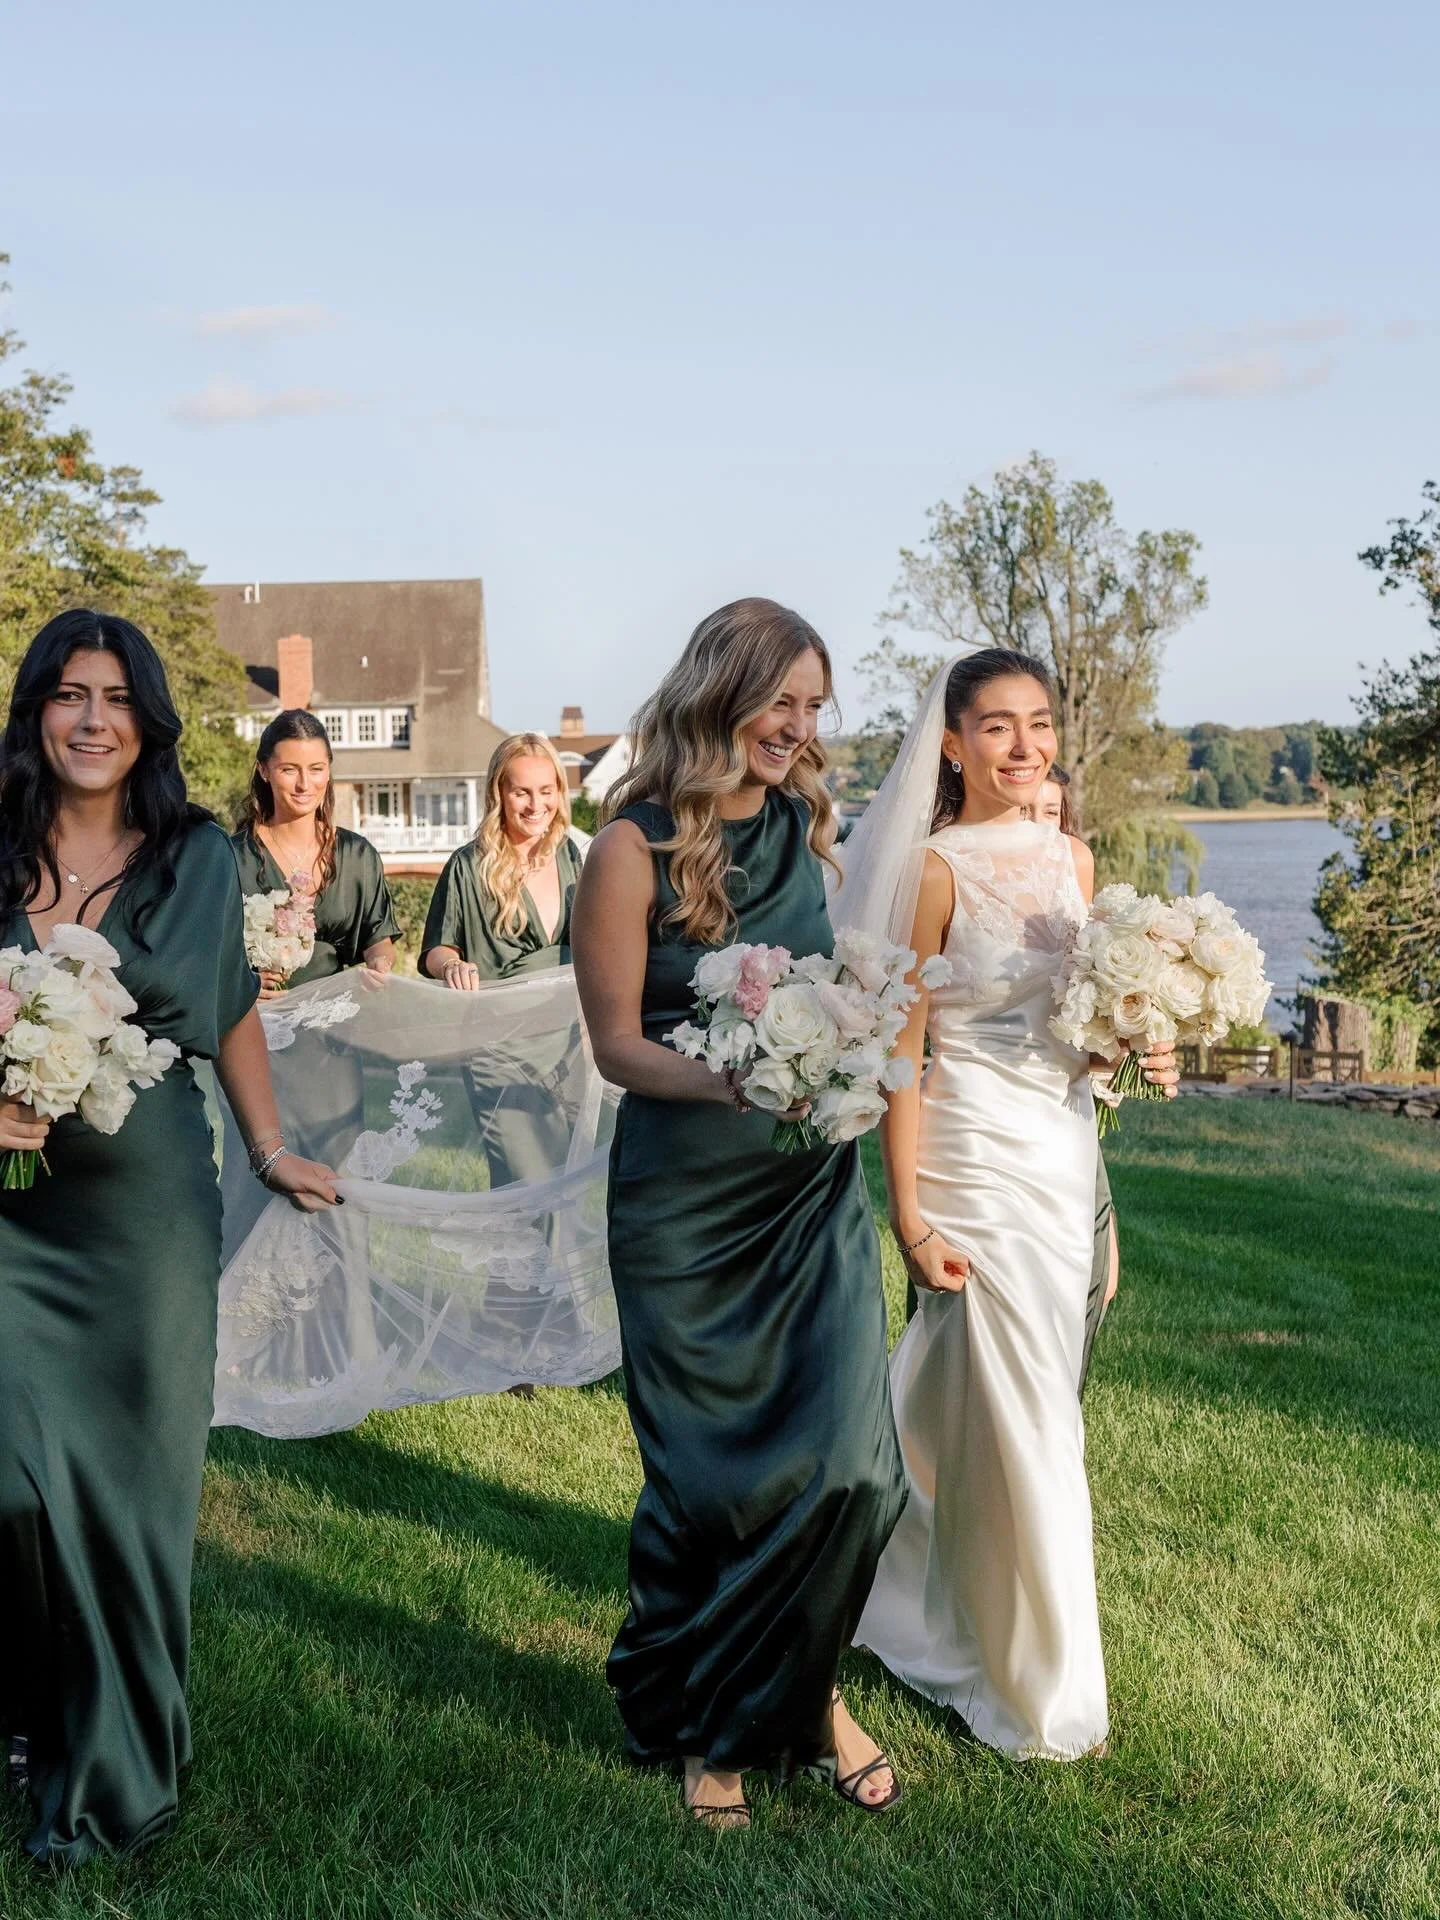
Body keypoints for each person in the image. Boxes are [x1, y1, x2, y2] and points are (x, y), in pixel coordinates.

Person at [0, 610, 337, 1866]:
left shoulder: (194, 856)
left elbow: (232, 1005)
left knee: (132, 1500)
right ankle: (36, 1700)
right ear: (35, 711)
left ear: (147, 720)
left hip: (142, 1218)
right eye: (68, 694)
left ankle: (113, 1767)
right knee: (12, 1484)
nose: (92, 720)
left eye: (115, 698)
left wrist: (269, 1147)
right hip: (10, 1225)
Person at [571, 598, 906, 1829]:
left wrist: (847, 1053)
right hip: (687, 1210)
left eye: (814, 706)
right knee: (714, 1482)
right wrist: (745, 1079)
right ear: (722, 692)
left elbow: (828, 990)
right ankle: (714, 1724)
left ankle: (804, 1696)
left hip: (807, 1193)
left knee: (855, 1472)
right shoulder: (631, 847)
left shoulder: (806, 831)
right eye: (781, 701)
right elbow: (615, 1045)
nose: (799, 726)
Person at [838, 648, 1176, 1761]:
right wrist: (907, 1213)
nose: (1024, 747)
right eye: (997, 727)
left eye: (1038, 723)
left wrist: (1140, 1046)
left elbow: (1079, 1031)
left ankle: (891, 1591)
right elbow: (902, 1054)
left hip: (1061, 1155)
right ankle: (1043, 1692)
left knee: (978, 1404)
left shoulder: (1074, 857)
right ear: (952, 744)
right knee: (1033, 1408)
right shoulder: (932, 871)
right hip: (970, 1160)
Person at [1032, 767, 1119, 1390]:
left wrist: (1133, 1041)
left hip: (1070, 1111)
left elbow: (1086, 1023)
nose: (1041, 828)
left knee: (1096, 1281)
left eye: (1051, 815)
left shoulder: (1074, 877)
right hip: (985, 1114)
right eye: (1027, 811)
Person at [231, 709, 398, 995]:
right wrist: (239, 988)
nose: (304, 785)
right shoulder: (232, 857)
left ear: (328, 770)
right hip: (259, 1014)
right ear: (264, 770)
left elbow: (378, 939)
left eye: (316, 769)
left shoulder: (358, 855)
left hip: (336, 1010)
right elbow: (204, 949)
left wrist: (380, 963)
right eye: (289, 770)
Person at [421, 731, 582, 993]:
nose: (535, 805)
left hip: (564, 1013)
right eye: (521, 793)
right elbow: (437, 949)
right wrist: (452, 965)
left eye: (546, 791)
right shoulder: (468, 865)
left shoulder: (568, 854)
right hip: (496, 1014)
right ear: (498, 793)